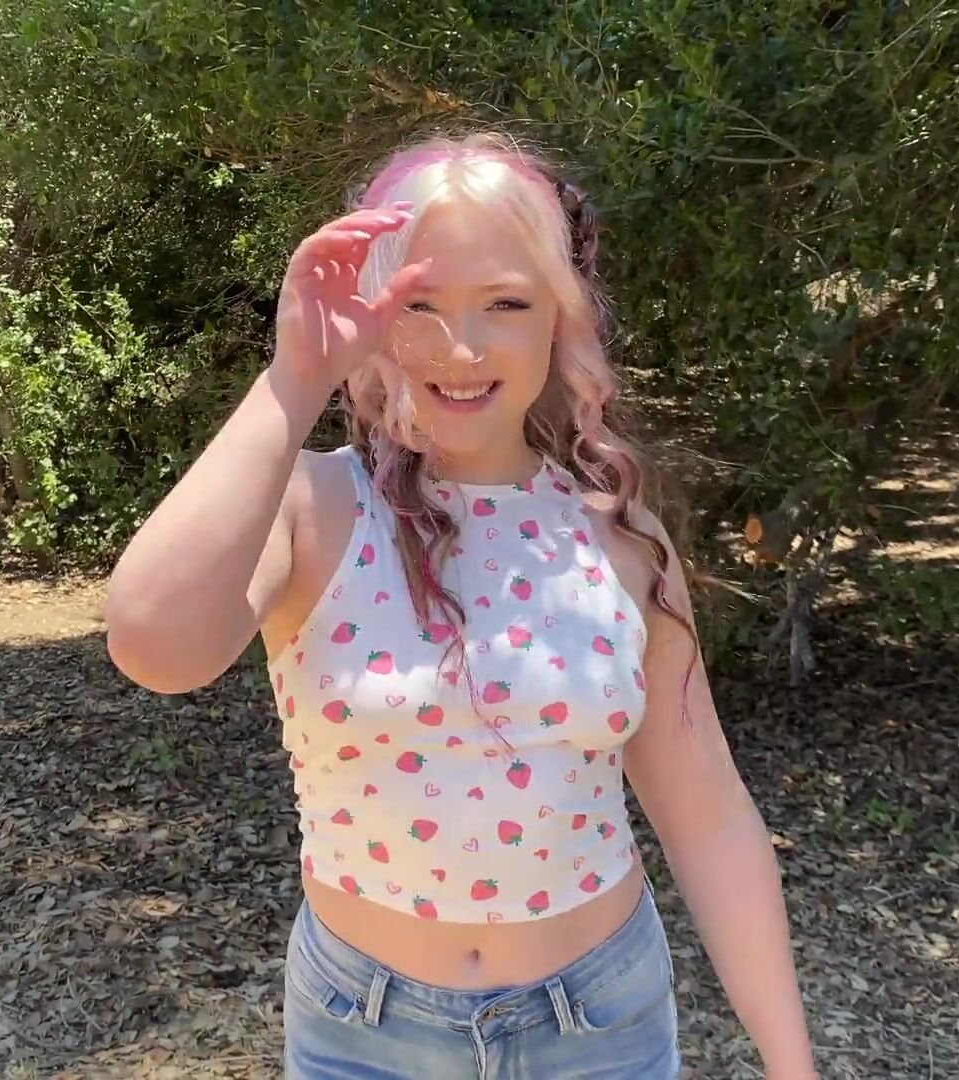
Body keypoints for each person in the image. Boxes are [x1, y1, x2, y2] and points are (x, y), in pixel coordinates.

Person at [105, 131, 816, 1079]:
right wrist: (295, 379)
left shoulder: (618, 538)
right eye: (420, 304)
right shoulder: (314, 510)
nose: (462, 347)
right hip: (364, 1033)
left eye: (507, 303)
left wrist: (793, 1065)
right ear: (373, 313)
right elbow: (154, 646)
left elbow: (710, 819)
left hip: (600, 1026)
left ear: (560, 316)